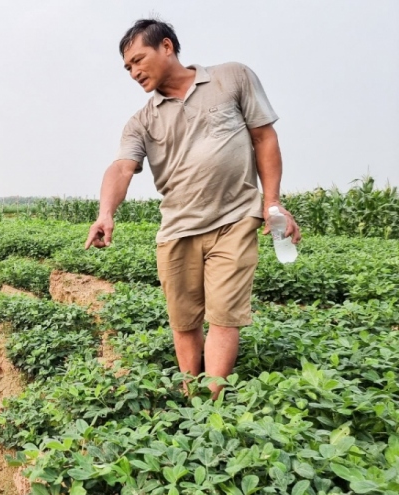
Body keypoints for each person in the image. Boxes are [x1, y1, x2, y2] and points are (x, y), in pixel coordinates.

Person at [85, 19, 301, 397]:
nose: (134, 72)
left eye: (138, 59)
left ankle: (213, 405)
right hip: (177, 229)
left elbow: (264, 137)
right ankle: (191, 393)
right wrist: (106, 213)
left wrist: (272, 202)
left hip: (234, 220)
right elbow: (121, 168)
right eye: (127, 67)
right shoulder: (142, 121)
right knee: (184, 322)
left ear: (166, 47)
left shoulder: (231, 78)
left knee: (223, 317)